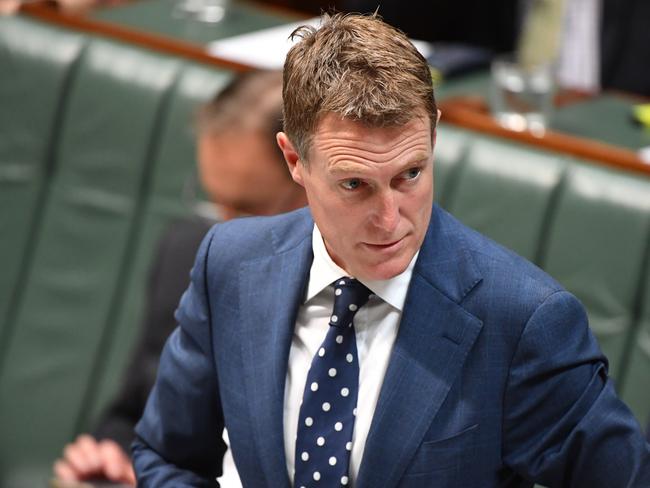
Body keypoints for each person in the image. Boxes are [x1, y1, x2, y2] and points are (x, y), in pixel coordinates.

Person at [132, 12, 650, 487]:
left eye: (410, 175)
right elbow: (167, 456)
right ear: (295, 160)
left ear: (433, 137)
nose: (389, 220)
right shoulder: (230, 263)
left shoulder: (521, 322)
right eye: (355, 185)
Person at [52, 69, 306, 486]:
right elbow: (134, 411)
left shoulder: (365, 299)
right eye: (213, 200)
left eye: (246, 208)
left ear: (312, 178)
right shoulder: (187, 251)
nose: (222, 232)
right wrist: (110, 462)